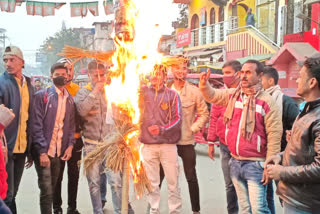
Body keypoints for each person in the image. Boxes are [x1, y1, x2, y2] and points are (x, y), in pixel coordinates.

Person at [199, 60, 282, 214]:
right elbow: (213, 95)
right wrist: (204, 85)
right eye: (242, 72)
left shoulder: (267, 102)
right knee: (244, 208)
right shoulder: (233, 95)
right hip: (235, 161)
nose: (243, 76)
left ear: (260, 75)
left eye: (248, 72)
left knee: (259, 209)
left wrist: (269, 164)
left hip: (255, 165)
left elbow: (274, 135)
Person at [75, 60, 132, 214]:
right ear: (89, 75)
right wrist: (94, 92)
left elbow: (122, 114)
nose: (99, 78)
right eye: (95, 75)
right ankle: (97, 211)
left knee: (115, 181)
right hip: (91, 145)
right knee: (94, 183)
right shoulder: (83, 92)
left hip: (110, 145)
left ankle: (121, 211)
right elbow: (81, 111)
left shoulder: (112, 92)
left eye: (102, 75)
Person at [265, 56, 320, 214]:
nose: (296, 80)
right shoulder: (307, 109)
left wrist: (281, 171)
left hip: (305, 203)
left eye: (300, 76)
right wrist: (280, 156)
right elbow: (302, 151)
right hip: (295, 197)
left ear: (312, 82)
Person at [31, 62, 75, 214]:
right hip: (44, 152)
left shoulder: (69, 99)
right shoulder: (41, 96)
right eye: (57, 75)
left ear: (68, 76)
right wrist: (42, 152)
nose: (61, 77)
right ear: (51, 77)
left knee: (53, 187)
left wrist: (70, 146)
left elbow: (70, 126)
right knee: (46, 191)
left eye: (64, 75)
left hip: (58, 152)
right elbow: (36, 126)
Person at [167, 59, 209, 214]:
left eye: (184, 68)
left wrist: (193, 128)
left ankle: (196, 210)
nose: (181, 71)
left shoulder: (194, 91)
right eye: (177, 68)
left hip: (186, 141)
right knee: (160, 175)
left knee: (191, 176)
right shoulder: (165, 90)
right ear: (171, 70)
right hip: (167, 142)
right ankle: (152, 208)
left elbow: (204, 113)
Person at [140, 64, 182, 214]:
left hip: (167, 145)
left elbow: (178, 119)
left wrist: (162, 129)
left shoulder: (172, 95)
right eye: (152, 74)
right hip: (148, 145)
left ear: (165, 77)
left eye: (158, 74)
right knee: (152, 183)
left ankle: (175, 211)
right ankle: (154, 210)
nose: (154, 77)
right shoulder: (142, 92)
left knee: (173, 183)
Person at [0, 46, 34, 214]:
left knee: (14, 193)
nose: (8, 63)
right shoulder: (1, 83)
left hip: (22, 147)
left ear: (22, 62)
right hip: (6, 148)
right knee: (7, 194)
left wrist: (31, 148)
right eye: (5, 60)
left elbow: (30, 117)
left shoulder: (29, 84)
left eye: (12, 59)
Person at [261, 66, 299, 213]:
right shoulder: (260, 99)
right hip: (264, 154)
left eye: (262, 79)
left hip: (281, 155)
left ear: (271, 81)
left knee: (284, 193)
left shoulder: (285, 101)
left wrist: (288, 136)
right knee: (265, 194)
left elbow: (296, 127)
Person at [207, 60, 241, 214]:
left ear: (237, 74)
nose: (225, 76)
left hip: (241, 148)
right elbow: (213, 118)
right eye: (223, 73)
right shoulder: (220, 93)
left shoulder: (244, 93)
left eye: (228, 73)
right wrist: (210, 142)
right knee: (229, 184)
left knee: (244, 185)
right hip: (224, 146)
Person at [53, 58, 83, 214]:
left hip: (76, 141)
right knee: (57, 177)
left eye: (70, 69)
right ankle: (56, 207)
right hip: (57, 141)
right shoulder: (52, 90)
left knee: (74, 176)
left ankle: (72, 207)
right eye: (65, 69)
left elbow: (81, 114)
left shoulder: (78, 90)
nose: (68, 72)